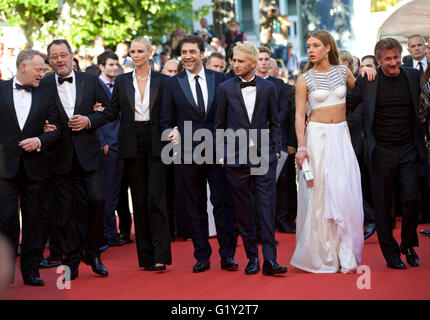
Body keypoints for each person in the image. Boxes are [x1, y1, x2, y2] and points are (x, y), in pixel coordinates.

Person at [291, 30, 375, 274]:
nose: (311, 49)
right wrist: (301, 147)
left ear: (328, 47)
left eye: (316, 45)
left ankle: (345, 251)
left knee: (342, 190)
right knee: (320, 192)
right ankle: (322, 253)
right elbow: (299, 115)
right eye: (308, 45)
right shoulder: (304, 79)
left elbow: (360, 93)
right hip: (316, 137)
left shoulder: (343, 72)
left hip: (341, 136)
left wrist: (367, 73)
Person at [160, 35, 237, 273]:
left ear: (202, 54)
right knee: (195, 206)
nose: (187, 56)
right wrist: (171, 132)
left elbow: (230, 115)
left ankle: (228, 255)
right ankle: (202, 255)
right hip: (187, 153)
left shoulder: (221, 79)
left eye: (192, 51)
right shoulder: (173, 84)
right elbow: (165, 120)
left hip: (217, 152)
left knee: (222, 204)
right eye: (184, 52)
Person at [348, 37, 426, 269]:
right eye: (388, 59)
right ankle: (390, 253)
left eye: (397, 58)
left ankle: (409, 245)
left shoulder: (412, 76)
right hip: (380, 150)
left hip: (408, 148)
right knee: (383, 205)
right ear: (379, 61)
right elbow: (349, 105)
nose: (394, 63)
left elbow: (424, 103)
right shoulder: (368, 80)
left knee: (412, 199)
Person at [41, 39, 113, 280]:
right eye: (54, 57)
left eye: (63, 55)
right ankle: (71, 259)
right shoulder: (43, 85)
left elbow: (112, 110)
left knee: (97, 201)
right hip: (58, 157)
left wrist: (90, 120)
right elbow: (30, 113)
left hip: (89, 155)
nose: (59, 60)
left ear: (72, 56)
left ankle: (92, 252)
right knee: (65, 212)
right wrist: (40, 125)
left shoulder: (91, 81)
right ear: (49, 60)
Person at [101, 36, 172, 271]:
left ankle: (161, 254)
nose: (135, 55)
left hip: (157, 142)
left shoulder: (163, 81)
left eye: (140, 51)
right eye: (132, 51)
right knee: (139, 201)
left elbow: (170, 112)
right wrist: (91, 117)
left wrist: (177, 130)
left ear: (150, 53)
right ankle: (146, 257)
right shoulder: (121, 81)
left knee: (156, 198)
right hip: (131, 143)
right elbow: (111, 113)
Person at [215, 41, 286, 276]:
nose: (235, 65)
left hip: (264, 156)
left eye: (240, 61)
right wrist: (223, 154)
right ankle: (252, 258)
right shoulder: (225, 88)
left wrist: (275, 150)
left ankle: (271, 261)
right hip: (235, 159)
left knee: (267, 208)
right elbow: (220, 126)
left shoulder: (268, 88)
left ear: (253, 64)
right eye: (234, 60)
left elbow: (275, 122)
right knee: (243, 210)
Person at [0, 50, 61, 285]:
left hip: (35, 167)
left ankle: (31, 270)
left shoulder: (46, 94)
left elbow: (56, 130)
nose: (43, 73)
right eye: (39, 69)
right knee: (6, 219)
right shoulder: (1, 89)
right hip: (5, 167)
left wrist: (39, 141)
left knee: (35, 220)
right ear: (23, 67)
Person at [95, 51, 125, 248]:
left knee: (116, 192)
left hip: (122, 143)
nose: (115, 67)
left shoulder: (121, 84)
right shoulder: (93, 86)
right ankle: (106, 233)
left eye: (116, 64)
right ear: (101, 66)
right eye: (111, 65)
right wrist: (102, 141)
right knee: (106, 190)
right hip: (106, 145)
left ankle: (112, 233)